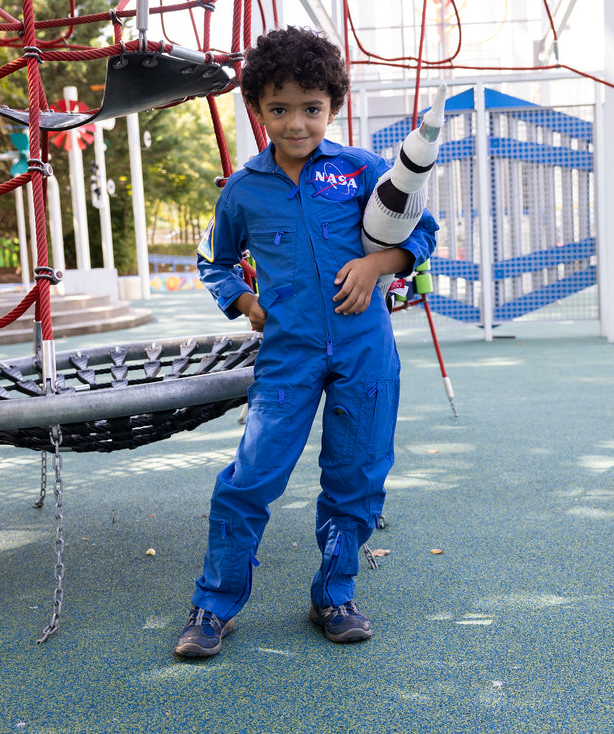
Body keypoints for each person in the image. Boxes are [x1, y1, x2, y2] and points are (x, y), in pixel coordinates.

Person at [174, 26, 439, 658]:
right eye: (280, 108)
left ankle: (336, 593)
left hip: (365, 349)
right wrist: (245, 301)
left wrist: (379, 265)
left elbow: (422, 232)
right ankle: (214, 605)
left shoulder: (365, 171)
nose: (297, 124)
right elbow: (216, 259)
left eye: (311, 108)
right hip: (288, 353)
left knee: (357, 473)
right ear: (258, 109)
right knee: (251, 476)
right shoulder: (243, 189)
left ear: (333, 106)